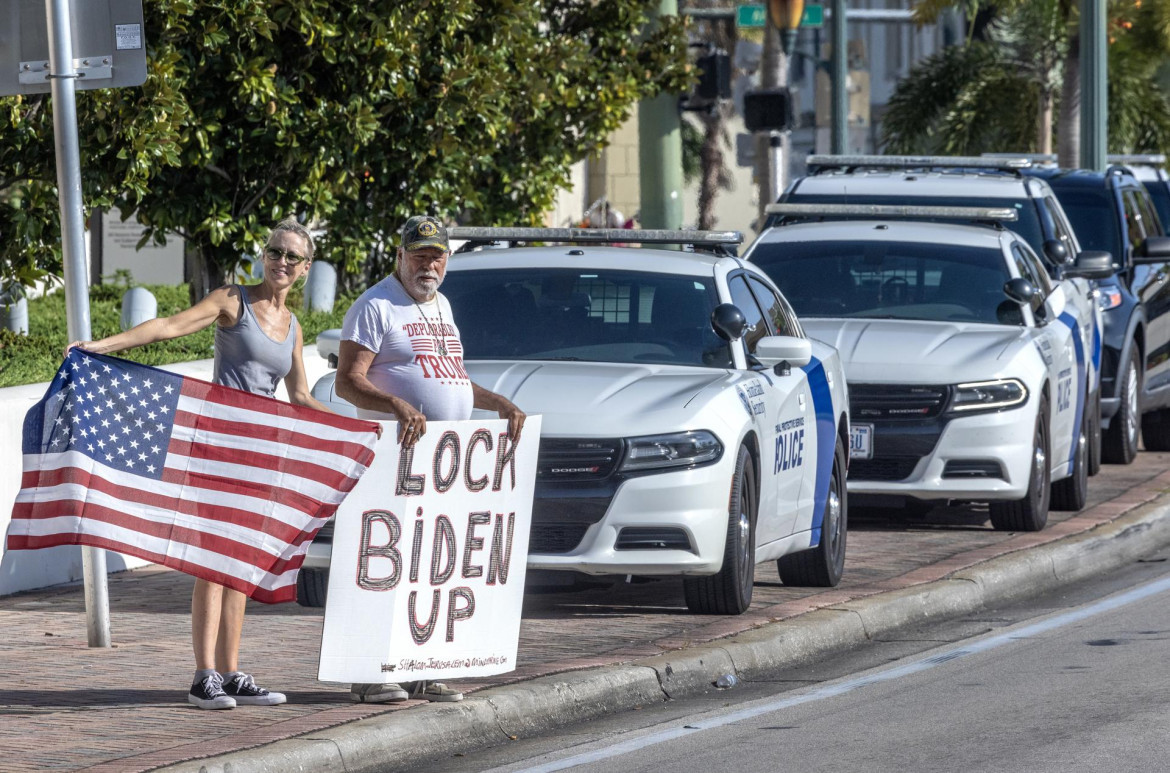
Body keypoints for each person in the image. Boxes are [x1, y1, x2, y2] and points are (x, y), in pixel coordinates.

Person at [67, 217, 334, 710]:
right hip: (217, 449)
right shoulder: (232, 300)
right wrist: (99, 347)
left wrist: (353, 425)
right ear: (264, 254)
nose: (281, 261)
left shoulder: (293, 327)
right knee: (212, 562)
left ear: (305, 268)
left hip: (261, 456)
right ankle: (202, 676)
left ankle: (231, 673)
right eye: (275, 251)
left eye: (292, 257)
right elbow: (169, 326)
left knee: (240, 564)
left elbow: (298, 396)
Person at [337, 215, 526, 704]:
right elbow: (347, 381)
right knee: (385, 565)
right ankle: (370, 671)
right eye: (418, 255)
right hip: (392, 461)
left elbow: (451, 379)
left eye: (436, 255)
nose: (428, 264)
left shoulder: (441, 306)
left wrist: (496, 402)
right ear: (399, 256)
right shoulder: (376, 306)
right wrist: (396, 404)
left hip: (444, 469)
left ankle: (424, 667)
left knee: (432, 568)